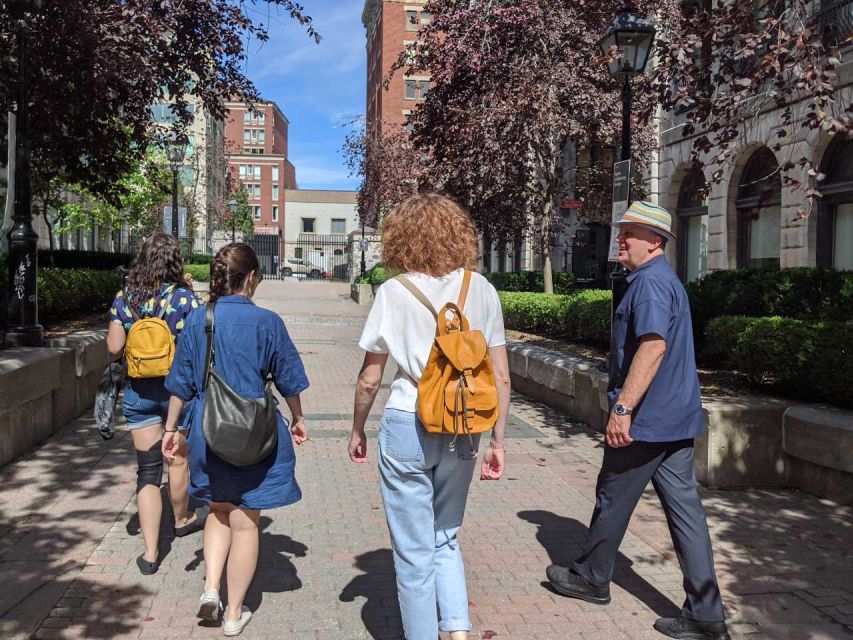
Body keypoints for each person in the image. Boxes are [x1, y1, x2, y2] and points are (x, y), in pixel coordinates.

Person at [545, 201, 730, 640]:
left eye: (630, 232)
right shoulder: (663, 281)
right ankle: (706, 614)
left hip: (646, 421)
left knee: (612, 498)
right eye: (621, 230)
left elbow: (652, 348)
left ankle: (592, 577)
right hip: (675, 420)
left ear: (656, 242)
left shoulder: (648, 284)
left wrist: (623, 408)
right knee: (686, 515)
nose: (621, 238)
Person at [348, 193, 511, 640]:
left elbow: (369, 379)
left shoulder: (393, 292)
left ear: (401, 239)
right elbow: (501, 376)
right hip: (465, 423)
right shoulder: (482, 290)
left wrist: (357, 429)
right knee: (445, 536)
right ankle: (456, 631)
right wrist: (498, 441)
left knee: (413, 552)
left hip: (407, 421)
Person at [162, 242, 309, 637]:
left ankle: (211, 589)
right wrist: (297, 418)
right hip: (256, 432)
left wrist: (171, 429)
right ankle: (234, 614)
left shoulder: (197, 320)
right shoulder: (268, 322)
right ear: (251, 277)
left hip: (210, 428)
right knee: (246, 522)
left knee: (218, 510)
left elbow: (181, 381)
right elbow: (288, 378)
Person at [106, 232, 204, 575]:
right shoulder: (185, 300)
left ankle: (150, 554)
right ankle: (182, 518)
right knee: (177, 461)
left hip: (139, 392)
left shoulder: (124, 298)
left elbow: (113, 348)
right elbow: (196, 348)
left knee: (147, 470)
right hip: (177, 392)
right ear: (175, 261)